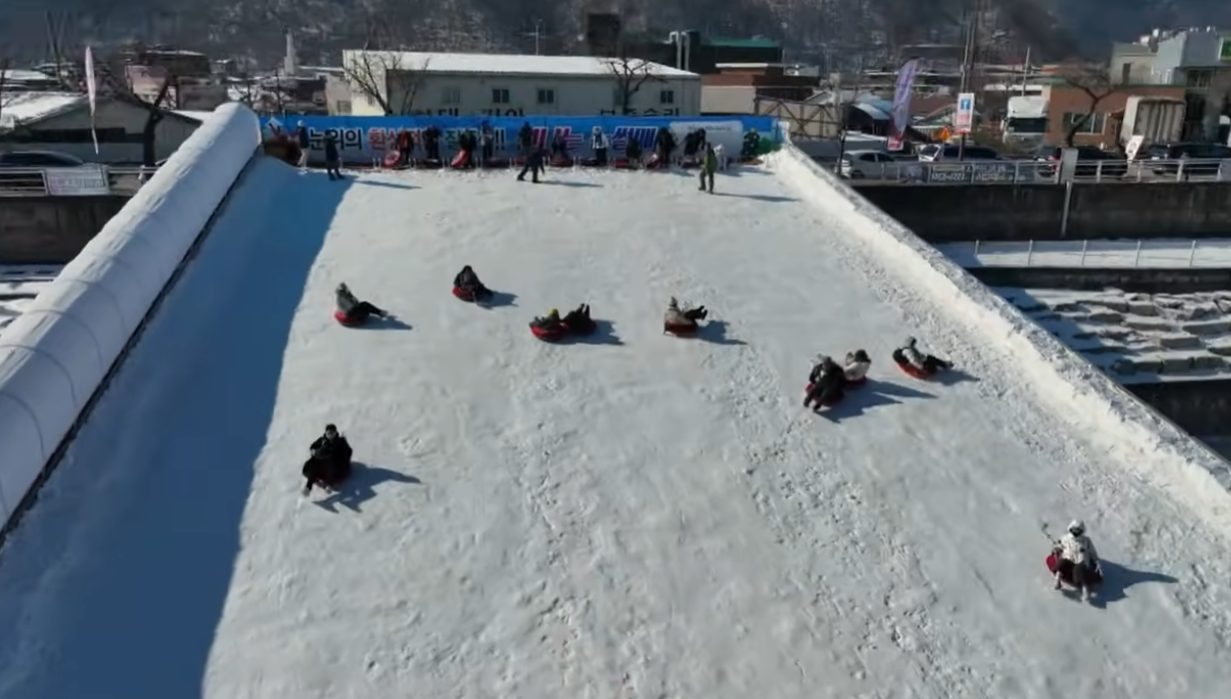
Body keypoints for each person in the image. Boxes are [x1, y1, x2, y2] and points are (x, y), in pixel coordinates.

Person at [302, 424, 353, 495]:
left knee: (329, 459)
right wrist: (314, 451)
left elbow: (349, 452)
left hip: (336, 469)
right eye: (328, 433)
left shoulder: (340, 441)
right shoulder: (322, 440)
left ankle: (328, 484)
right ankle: (308, 487)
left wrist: (342, 458)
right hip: (322, 467)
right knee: (313, 464)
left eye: (332, 433)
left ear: (335, 433)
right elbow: (313, 447)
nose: (330, 435)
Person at [1053, 520, 1100, 597]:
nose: (1076, 532)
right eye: (1074, 529)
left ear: (1082, 530)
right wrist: (1057, 548)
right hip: (1069, 560)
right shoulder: (1065, 538)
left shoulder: (1086, 540)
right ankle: (1057, 580)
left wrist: (1096, 561)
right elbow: (1060, 545)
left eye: (1078, 530)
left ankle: (1085, 589)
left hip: (1080, 563)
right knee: (1062, 563)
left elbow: (1092, 552)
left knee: (1078, 569)